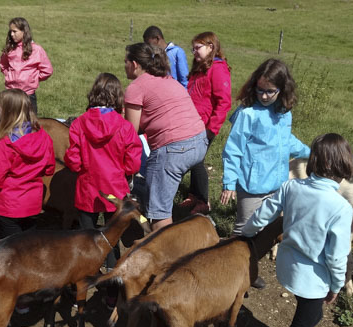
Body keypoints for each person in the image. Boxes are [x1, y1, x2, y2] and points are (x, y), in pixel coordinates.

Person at [242, 133, 353, 327]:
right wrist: (337, 285)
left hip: (287, 265)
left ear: (313, 161)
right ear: (343, 164)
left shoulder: (292, 187)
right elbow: (337, 256)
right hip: (313, 279)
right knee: (304, 325)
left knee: (310, 316)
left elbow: (264, 213)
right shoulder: (340, 206)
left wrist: (245, 233)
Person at [220, 58, 310, 288]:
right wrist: (230, 182)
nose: (265, 96)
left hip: (277, 183)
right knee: (244, 230)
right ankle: (230, 274)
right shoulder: (248, 113)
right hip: (250, 185)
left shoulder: (283, 113)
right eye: (260, 90)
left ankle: (249, 270)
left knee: (267, 231)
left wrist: (310, 152)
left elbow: (285, 141)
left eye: (271, 91)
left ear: (282, 89)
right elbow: (233, 149)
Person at [64, 73, 142, 307]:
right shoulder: (125, 127)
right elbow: (132, 164)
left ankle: (81, 291)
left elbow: (74, 162)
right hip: (114, 194)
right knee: (111, 241)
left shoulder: (79, 123)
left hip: (87, 191)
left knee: (87, 241)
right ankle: (111, 292)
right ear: (117, 97)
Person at [123, 42, 207, 231]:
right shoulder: (168, 79)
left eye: (126, 62)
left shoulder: (135, 88)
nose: (124, 66)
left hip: (174, 149)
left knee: (159, 211)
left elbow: (131, 131)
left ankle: (165, 251)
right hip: (199, 140)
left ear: (135, 64)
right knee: (156, 185)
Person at [0, 89, 55, 239]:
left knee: (12, 249)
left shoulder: (5, 144)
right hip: (33, 203)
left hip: (8, 205)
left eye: (0, 109)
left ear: (8, 112)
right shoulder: (44, 137)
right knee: (28, 246)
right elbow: (49, 168)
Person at [180, 31, 232, 214]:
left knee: (196, 160)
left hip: (204, 126)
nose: (194, 52)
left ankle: (203, 200)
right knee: (194, 159)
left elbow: (224, 102)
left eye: (198, 48)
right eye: (192, 48)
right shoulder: (200, 68)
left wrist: (212, 128)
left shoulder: (217, 69)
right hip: (191, 124)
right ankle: (195, 195)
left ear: (211, 47)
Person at [0, 17, 53, 115]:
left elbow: (47, 70)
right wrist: (10, 75)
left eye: (15, 31)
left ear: (24, 31)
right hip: (11, 94)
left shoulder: (36, 50)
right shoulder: (9, 49)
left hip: (28, 95)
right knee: (9, 123)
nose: (12, 34)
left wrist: (33, 78)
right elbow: (3, 65)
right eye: (10, 31)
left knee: (30, 124)